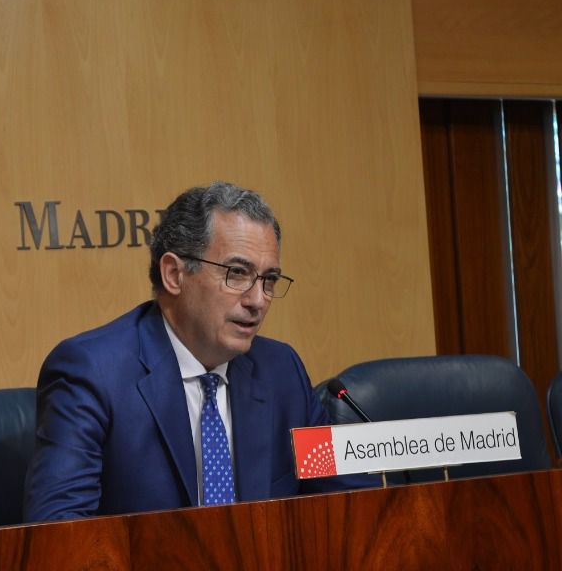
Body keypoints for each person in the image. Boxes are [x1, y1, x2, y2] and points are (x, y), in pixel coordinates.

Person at [23, 181, 375, 522]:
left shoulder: (281, 371)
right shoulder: (93, 373)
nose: (257, 301)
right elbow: (59, 532)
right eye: (237, 273)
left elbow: (348, 501)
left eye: (269, 280)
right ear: (175, 274)